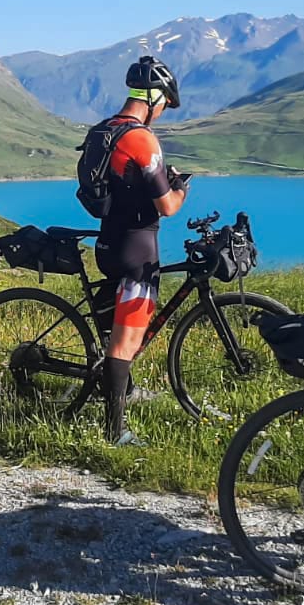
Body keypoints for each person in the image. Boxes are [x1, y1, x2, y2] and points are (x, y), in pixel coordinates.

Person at [91, 55, 190, 446]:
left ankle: (124, 389)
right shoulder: (141, 138)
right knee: (125, 343)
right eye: (164, 102)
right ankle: (114, 434)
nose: (163, 111)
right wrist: (182, 189)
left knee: (114, 329)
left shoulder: (106, 130)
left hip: (108, 241)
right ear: (153, 98)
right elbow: (166, 206)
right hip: (138, 249)